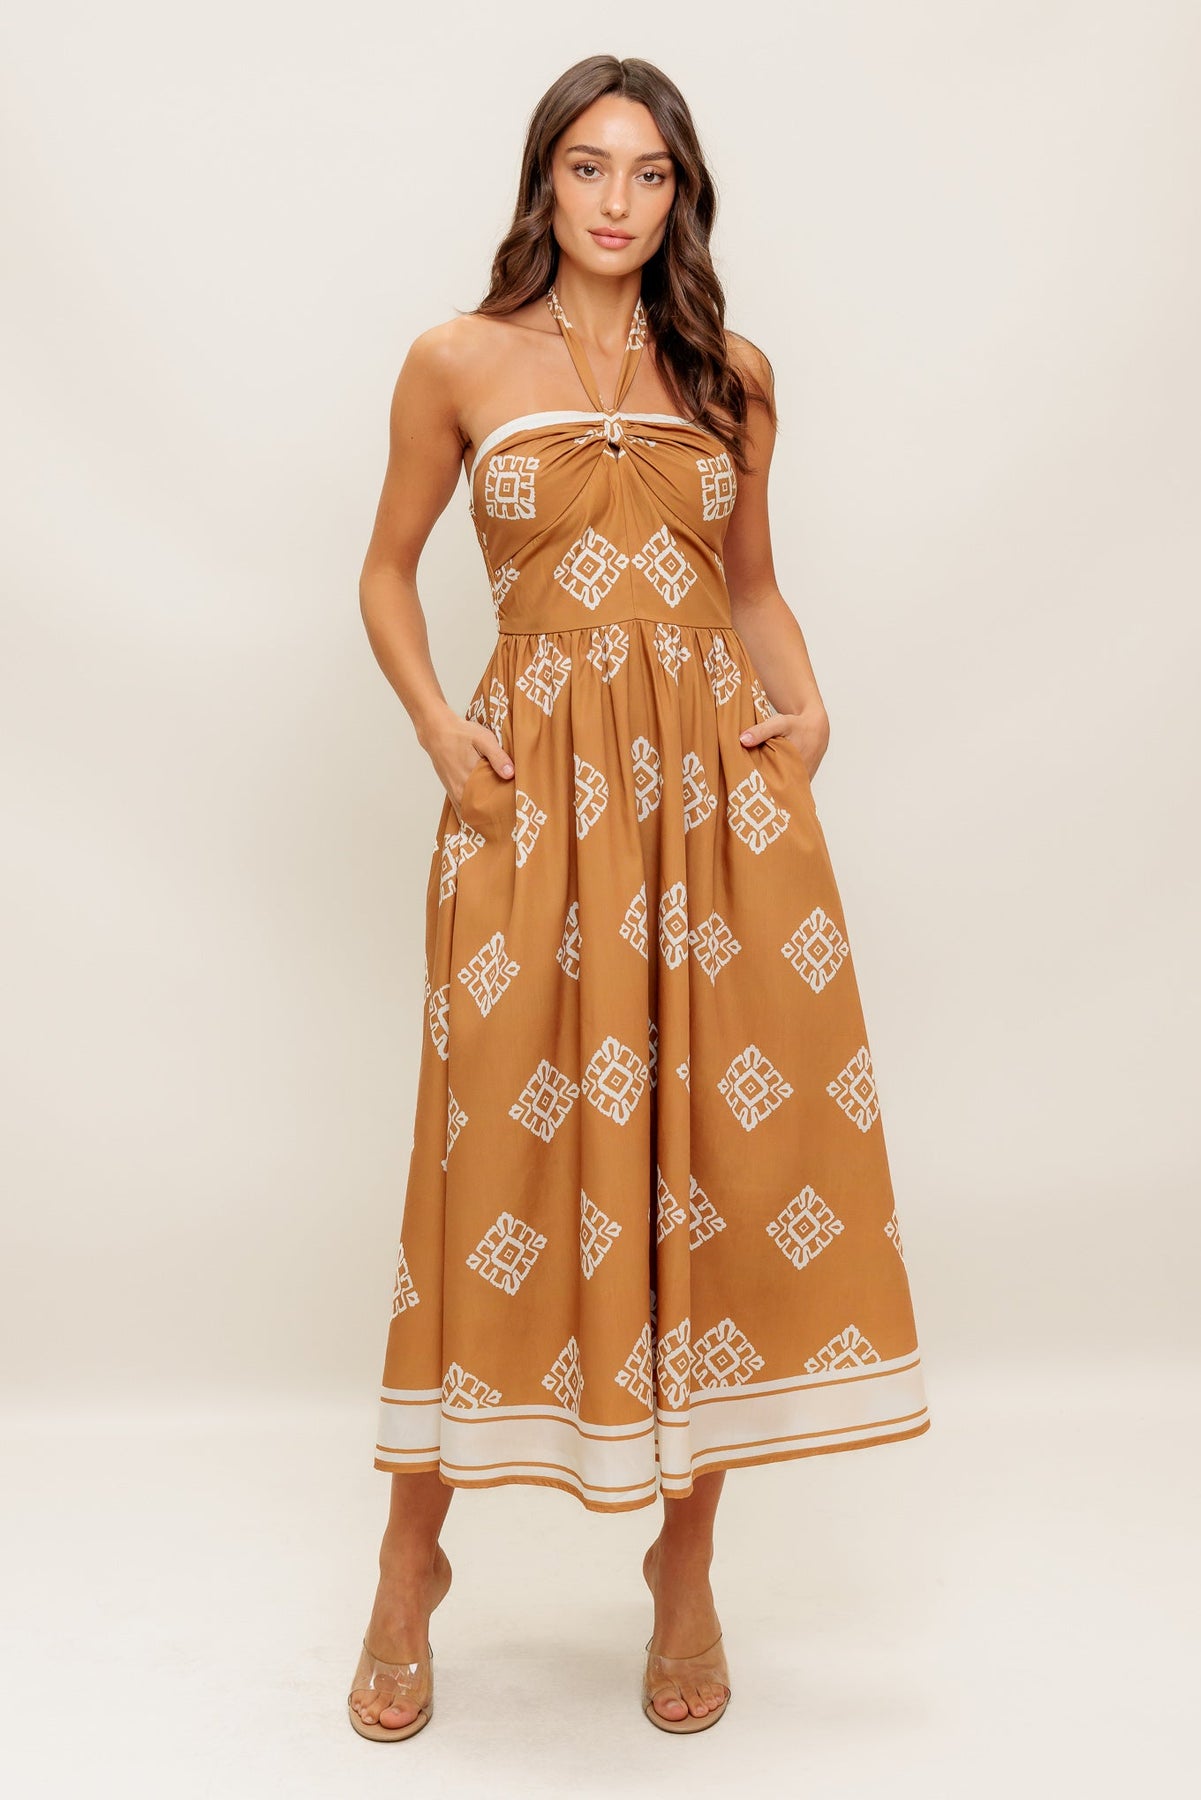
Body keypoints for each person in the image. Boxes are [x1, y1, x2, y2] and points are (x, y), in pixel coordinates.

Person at [349, 53, 931, 1740]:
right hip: (530, 805)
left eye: (650, 173)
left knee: (711, 1174)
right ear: (543, 182)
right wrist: (439, 728)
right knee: (484, 1168)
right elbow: (384, 570)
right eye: (589, 168)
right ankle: (408, 1563)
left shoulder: (729, 375)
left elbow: (750, 590)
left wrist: (807, 711)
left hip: (708, 814)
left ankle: (684, 1569)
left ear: (682, 196)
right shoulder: (455, 361)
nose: (618, 202)